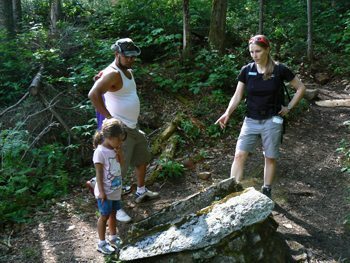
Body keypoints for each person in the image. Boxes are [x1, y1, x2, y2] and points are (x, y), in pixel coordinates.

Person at [215, 35, 306, 198]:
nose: (254, 55)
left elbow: (300, 88)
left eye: (257, 51)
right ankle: (232, 191)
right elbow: (237, 96)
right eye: (251, 52)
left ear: (267, 50)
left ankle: (266, 190)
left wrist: (289, 107)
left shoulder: (279, 69)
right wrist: (227, 112)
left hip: (272, 120)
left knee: (269, 157)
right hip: (250, 120)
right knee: (239, 155)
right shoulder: (247, 70)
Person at [88, 38, 159, 205]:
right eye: (127, 56)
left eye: (133, 56)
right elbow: (94, 94)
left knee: (142, 158)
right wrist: (109, 118)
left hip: (132, 126)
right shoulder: (113, 73)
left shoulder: (127, 71)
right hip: (120, 130)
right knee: (117, 168)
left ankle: (141, 191)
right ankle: (114, 204)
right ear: (117, 54)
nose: (130, 59)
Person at [93, 118, 126, 255]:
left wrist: (119, 153)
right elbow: (99, 173)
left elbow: (121, 164)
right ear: (110, 137)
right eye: (119, 139)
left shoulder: (114, 149)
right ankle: (101, 243)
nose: (120, 142)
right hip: (105, 192)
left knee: (113, 213)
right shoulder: (100, 152)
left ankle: (113, 237)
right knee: (104, 215)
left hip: (115, 190)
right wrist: (101, 191)